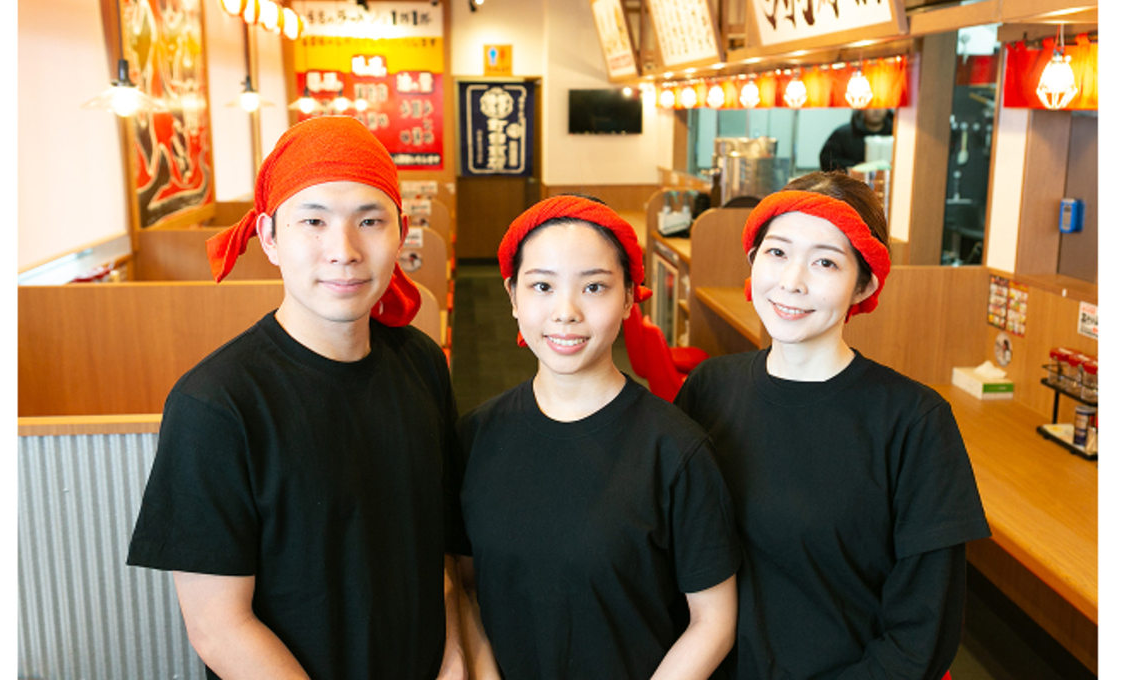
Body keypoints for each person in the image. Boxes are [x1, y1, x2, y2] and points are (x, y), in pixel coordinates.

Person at [126, 117, 465, 680]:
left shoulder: (422, 363)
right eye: (313, 221)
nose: (344, 250)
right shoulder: (216, 404)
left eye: (370, 221)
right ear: (269, 237)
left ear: (401, 233)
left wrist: (454, 657)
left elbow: (440, 549)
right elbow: (218, 626)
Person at [674, 172, 991, 680]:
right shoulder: (708, 389)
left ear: (865, 284)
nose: (792, 281)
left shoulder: (914, 422)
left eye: (825, 262)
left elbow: (922, 637)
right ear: (753, 260)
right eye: (777, 252)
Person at [451, 196, 742, 680]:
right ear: (513, 296)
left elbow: (713, 621)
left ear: (628, 297)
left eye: (594, 287)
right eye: (542, 286)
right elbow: (463, 584)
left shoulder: (675, 450)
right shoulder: (475, 436)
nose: (566, 312)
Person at [818, 108, 893, 171]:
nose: (876, 110)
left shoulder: (897, 134)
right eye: (871, 105)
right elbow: (827, 160)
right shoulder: (842, 134)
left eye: (881, 105)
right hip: (850, 182)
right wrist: (855, 167)